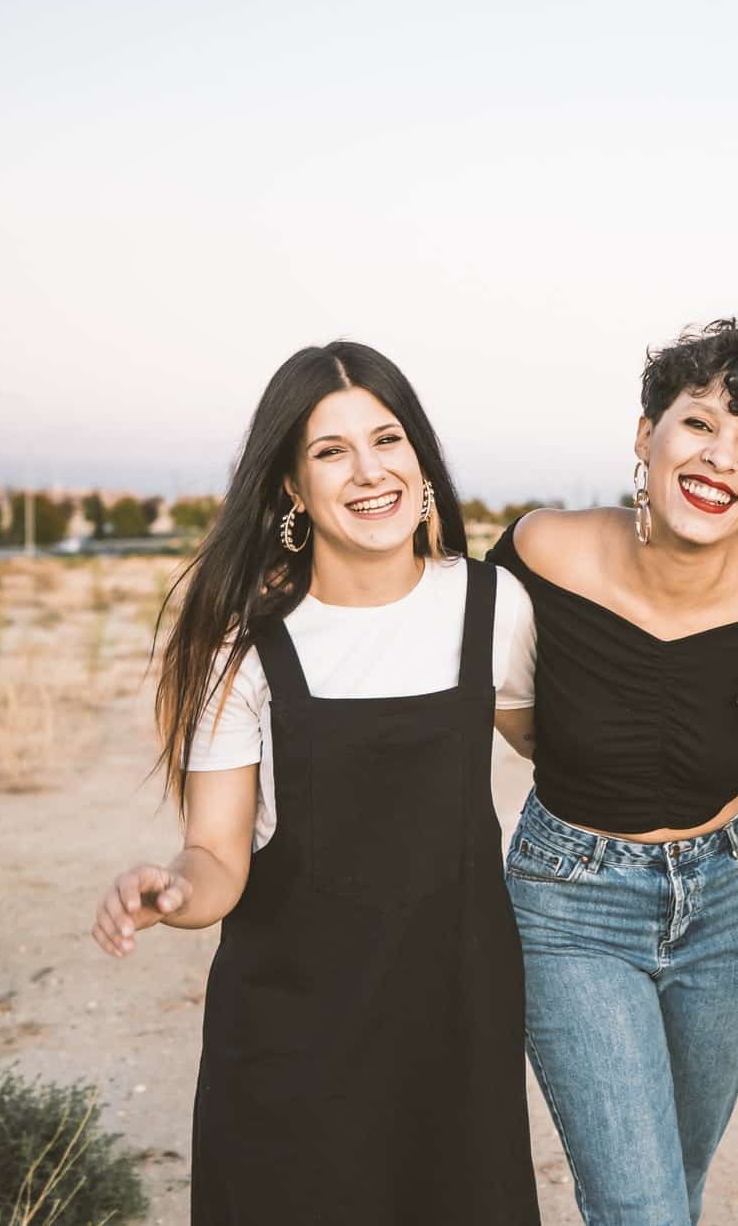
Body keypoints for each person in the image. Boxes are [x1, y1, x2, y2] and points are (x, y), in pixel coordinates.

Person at [89, 341, 540, 1224]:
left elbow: (565, 760)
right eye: (331, 451)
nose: (370, 472)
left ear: (419, 455)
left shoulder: (495, 606)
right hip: (294, 1033)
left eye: (389, 439)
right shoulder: (244, 643)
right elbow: (217, 853)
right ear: (292, 484)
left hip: (456, 1019)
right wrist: (173, 889)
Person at [487, 320, 738, 1226]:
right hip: (570, 905)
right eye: (698, 423)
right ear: (644, 436)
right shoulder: (544, 552)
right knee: (642, 1208)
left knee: (674, 1188)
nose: (720, 456)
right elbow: (512, 711)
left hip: (732, 898)